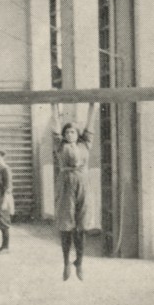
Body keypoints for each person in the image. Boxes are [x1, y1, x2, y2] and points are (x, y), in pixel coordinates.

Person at [52, 102, 96, 281]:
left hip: (83, 184)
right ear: (64, 135)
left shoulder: (85, 144)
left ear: (77, 135)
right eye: (67, 132)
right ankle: (65, 263)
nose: (70, 134)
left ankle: (79, 262)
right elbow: (55, 127)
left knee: (81, 226)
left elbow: (90, 126)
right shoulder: (60, 146)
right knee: (66, 225)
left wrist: (93, 105)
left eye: (73, 132)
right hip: (66, 184)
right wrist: (53, 106)